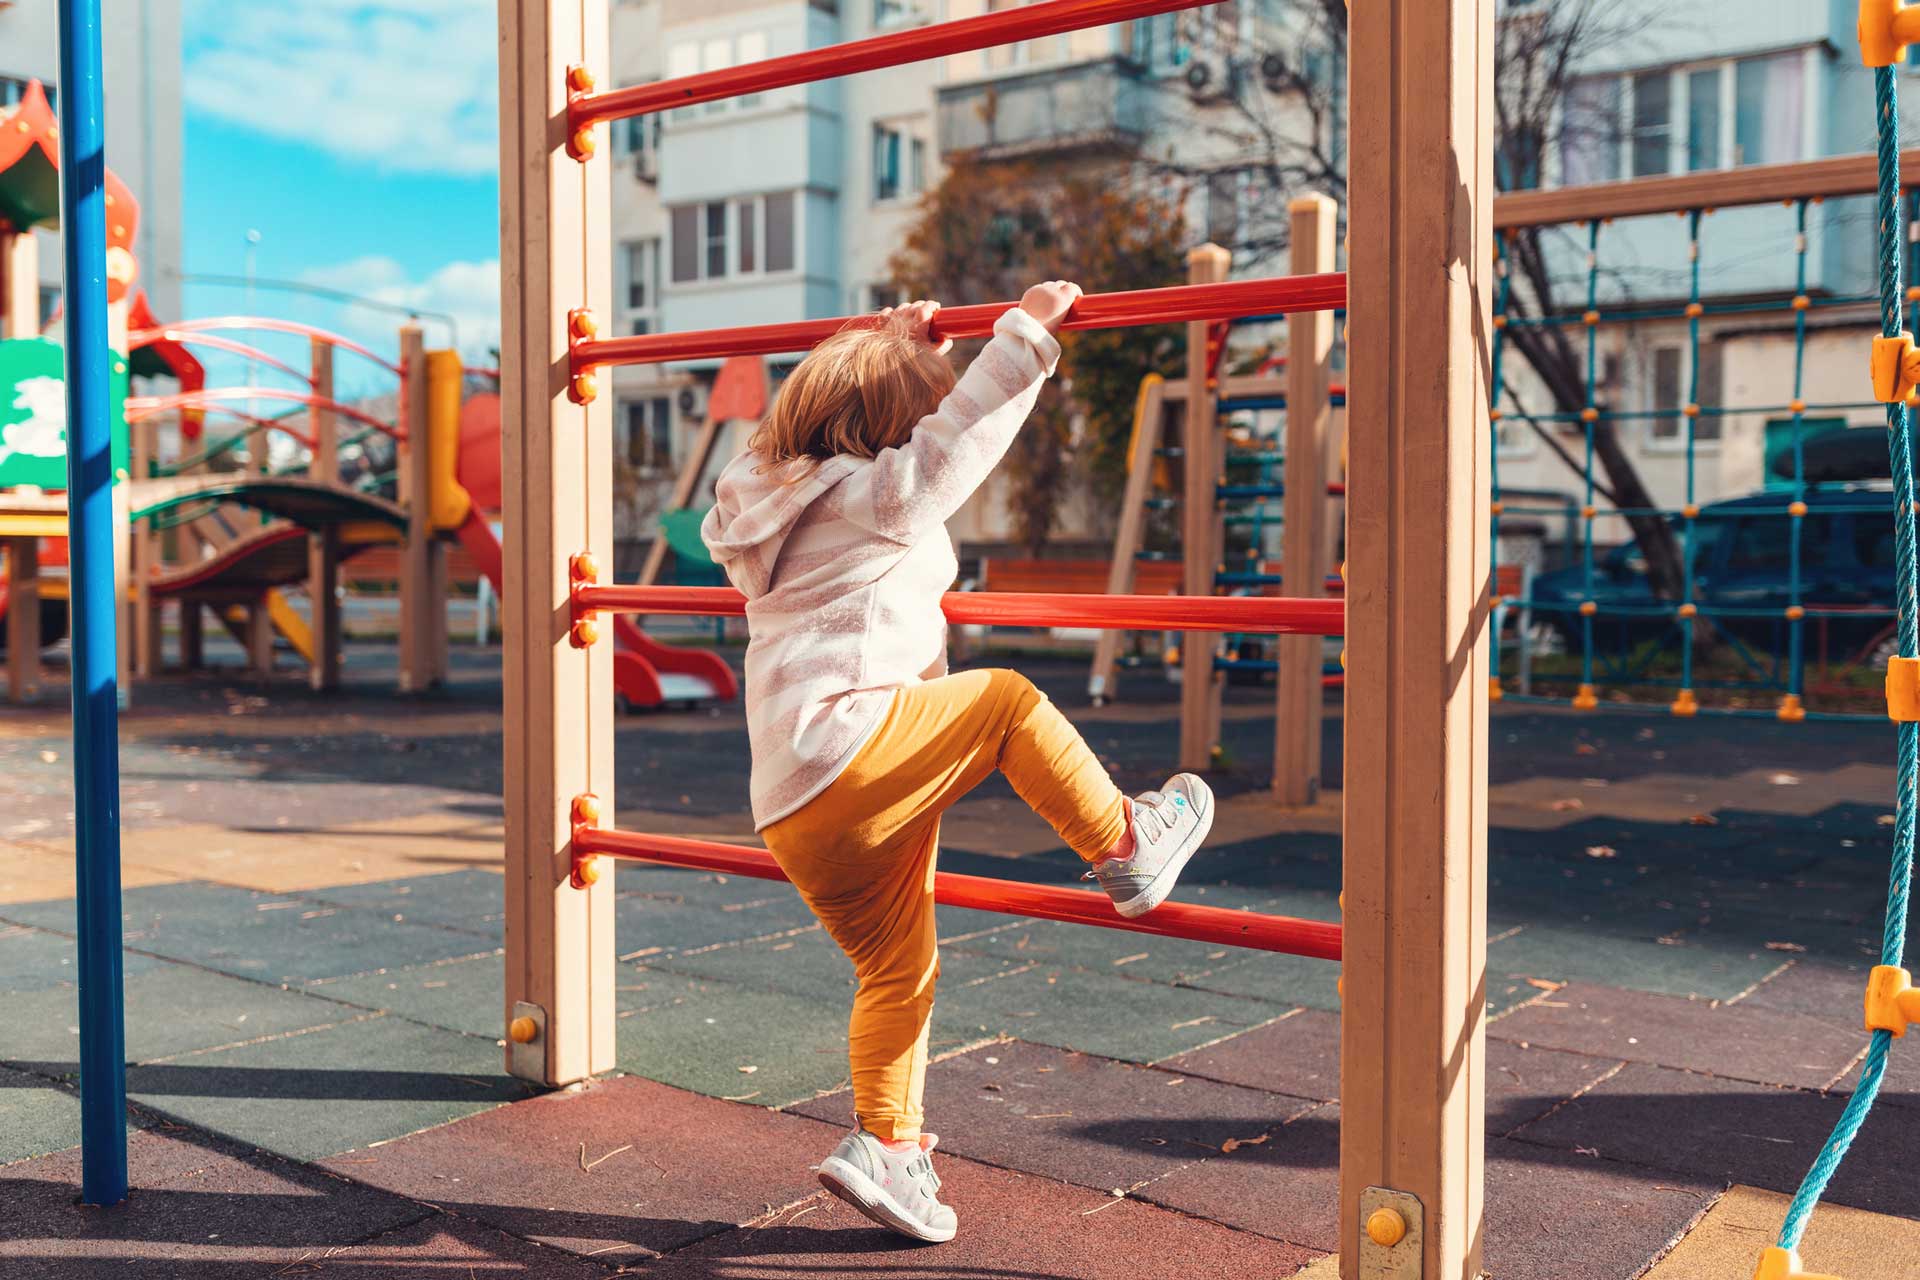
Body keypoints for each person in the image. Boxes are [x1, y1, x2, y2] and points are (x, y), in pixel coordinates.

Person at [701, 283, 1215, 1244]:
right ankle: (1128, 841)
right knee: (1008, 699)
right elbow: (951, 450)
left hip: (792, 803)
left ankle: (886, 1149)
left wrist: (885, 343)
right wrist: (1022, 338)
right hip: (851, 749)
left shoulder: (755, 504)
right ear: (893, 433)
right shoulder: (873, 498)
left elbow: (782, 446)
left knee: (900, 973)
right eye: (914, 416)